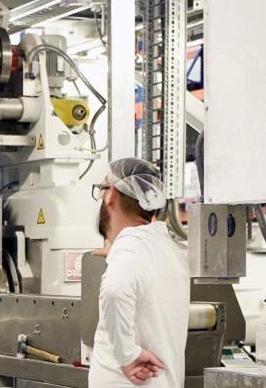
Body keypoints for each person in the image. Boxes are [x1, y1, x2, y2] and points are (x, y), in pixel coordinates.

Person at [88, 158, 189, 387]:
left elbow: (115, 290)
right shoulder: (167, 248)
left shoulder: (129, 250)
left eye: (101, 189)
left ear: (111, 194)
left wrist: (127, 355)